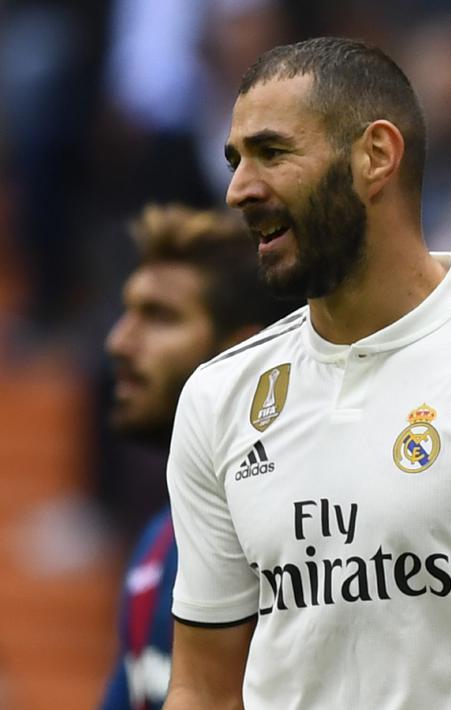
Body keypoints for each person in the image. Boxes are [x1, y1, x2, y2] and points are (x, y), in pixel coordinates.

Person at [164, 37, 451, 709]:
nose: (239, 187)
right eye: (234, 160)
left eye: (272, 153)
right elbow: (200, 689)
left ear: (376, 156)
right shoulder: (218, 397)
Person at [100, 204, 290, 710]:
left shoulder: (308, 540)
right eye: (128, 311)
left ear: (241, 354)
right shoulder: (158, 545)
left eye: (159, 316)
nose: (119, 341)